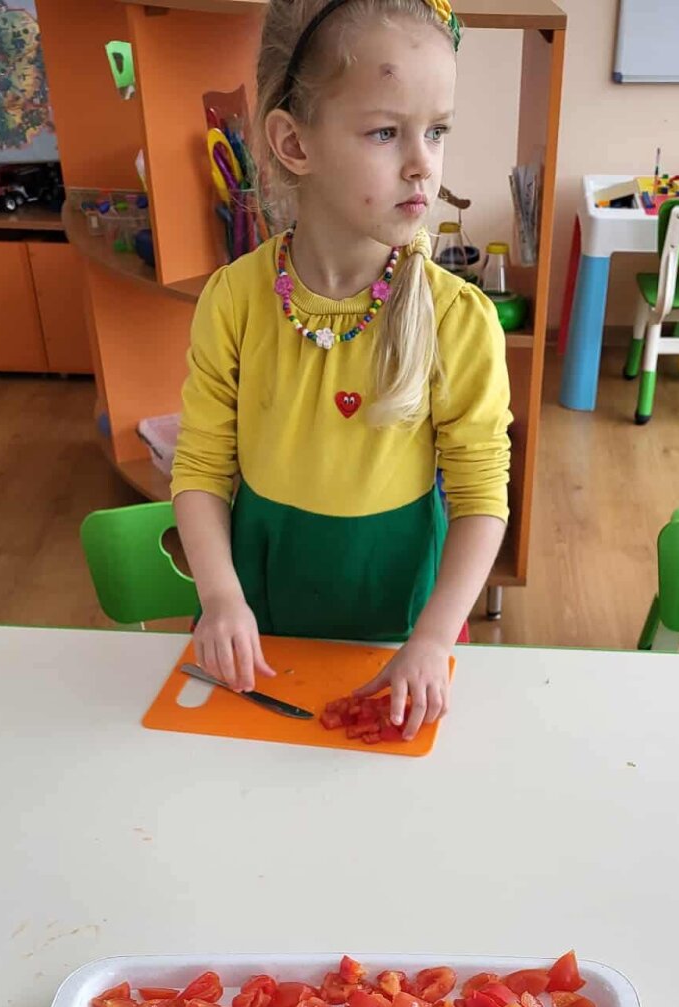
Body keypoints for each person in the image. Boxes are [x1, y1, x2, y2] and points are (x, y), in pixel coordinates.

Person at [170, 0, 511, 739]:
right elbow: (199, 467)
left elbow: (483, 494)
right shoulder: (235, 300)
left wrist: (432, 640)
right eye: (386, 132)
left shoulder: (458, 319)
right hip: (264, 598)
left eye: (437, 131)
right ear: (295, 143)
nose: (423, 163)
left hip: (401, 610)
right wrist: (221, 598)